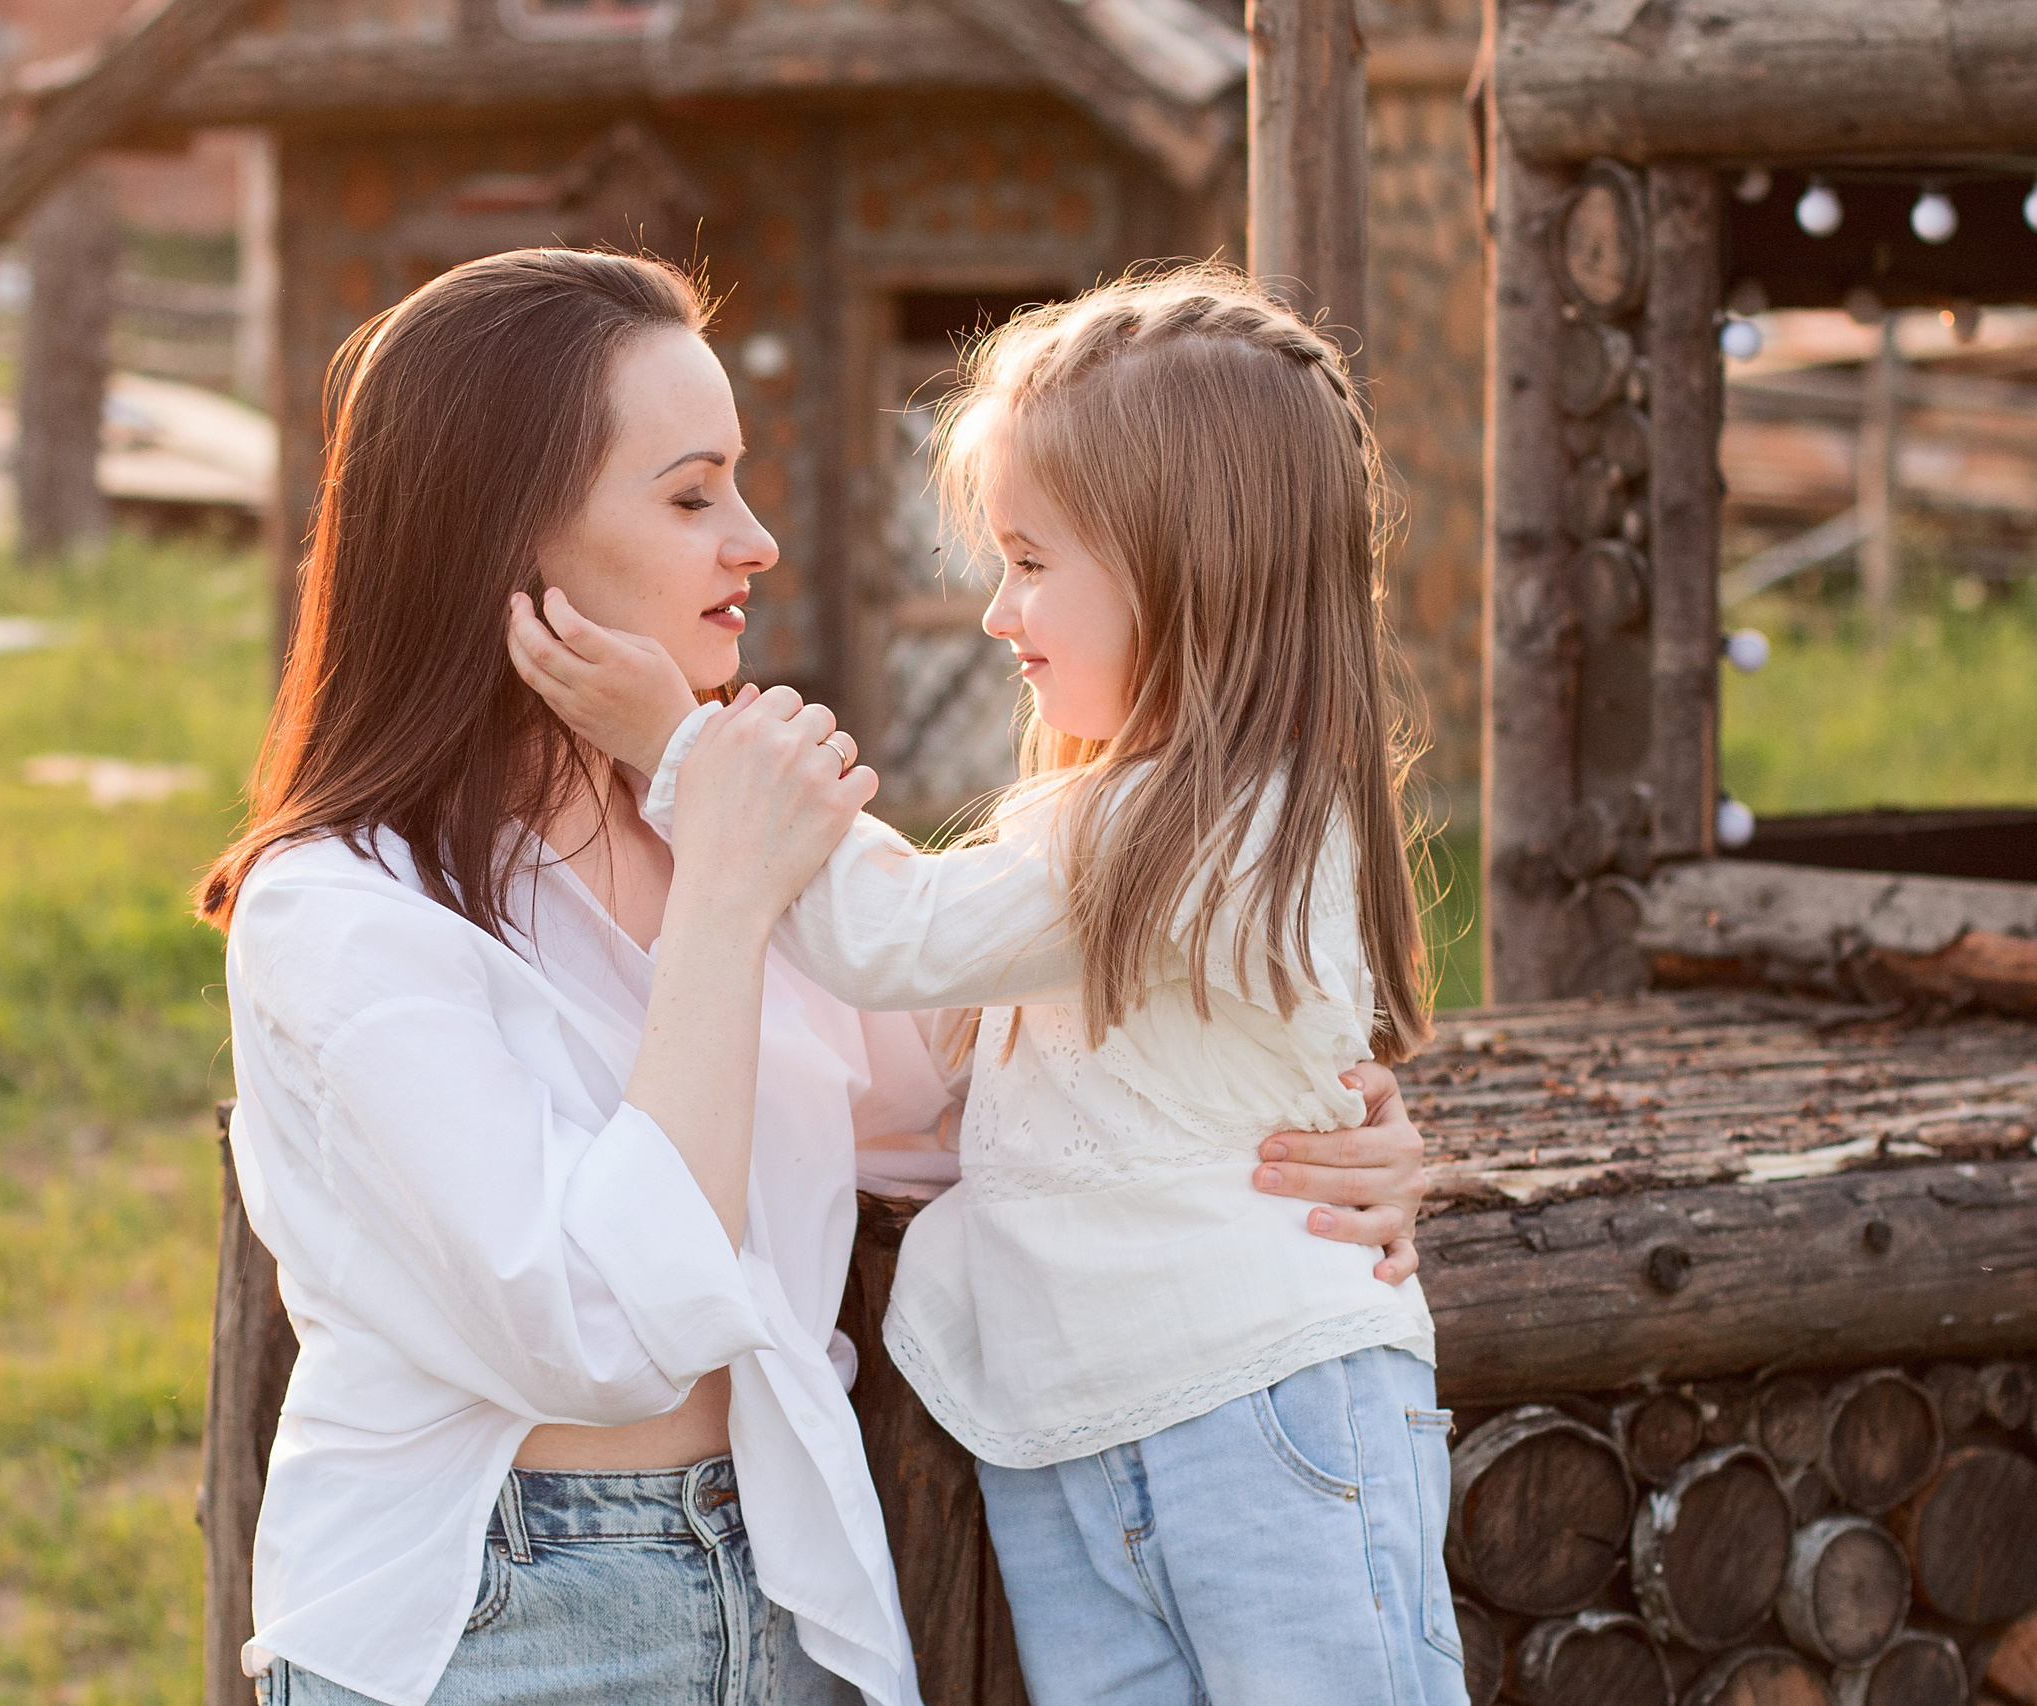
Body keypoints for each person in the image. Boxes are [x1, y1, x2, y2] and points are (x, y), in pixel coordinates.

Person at [199, 248, 1434, 1706]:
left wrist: (1320, 1137)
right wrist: (726, 887)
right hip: (493, 1616)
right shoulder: (344, 911)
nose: (758, 541)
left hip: (788, 1595)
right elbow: (601, 1330)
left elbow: (966, 1108)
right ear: (507, 538)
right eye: (692, 495)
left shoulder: (716, 839)